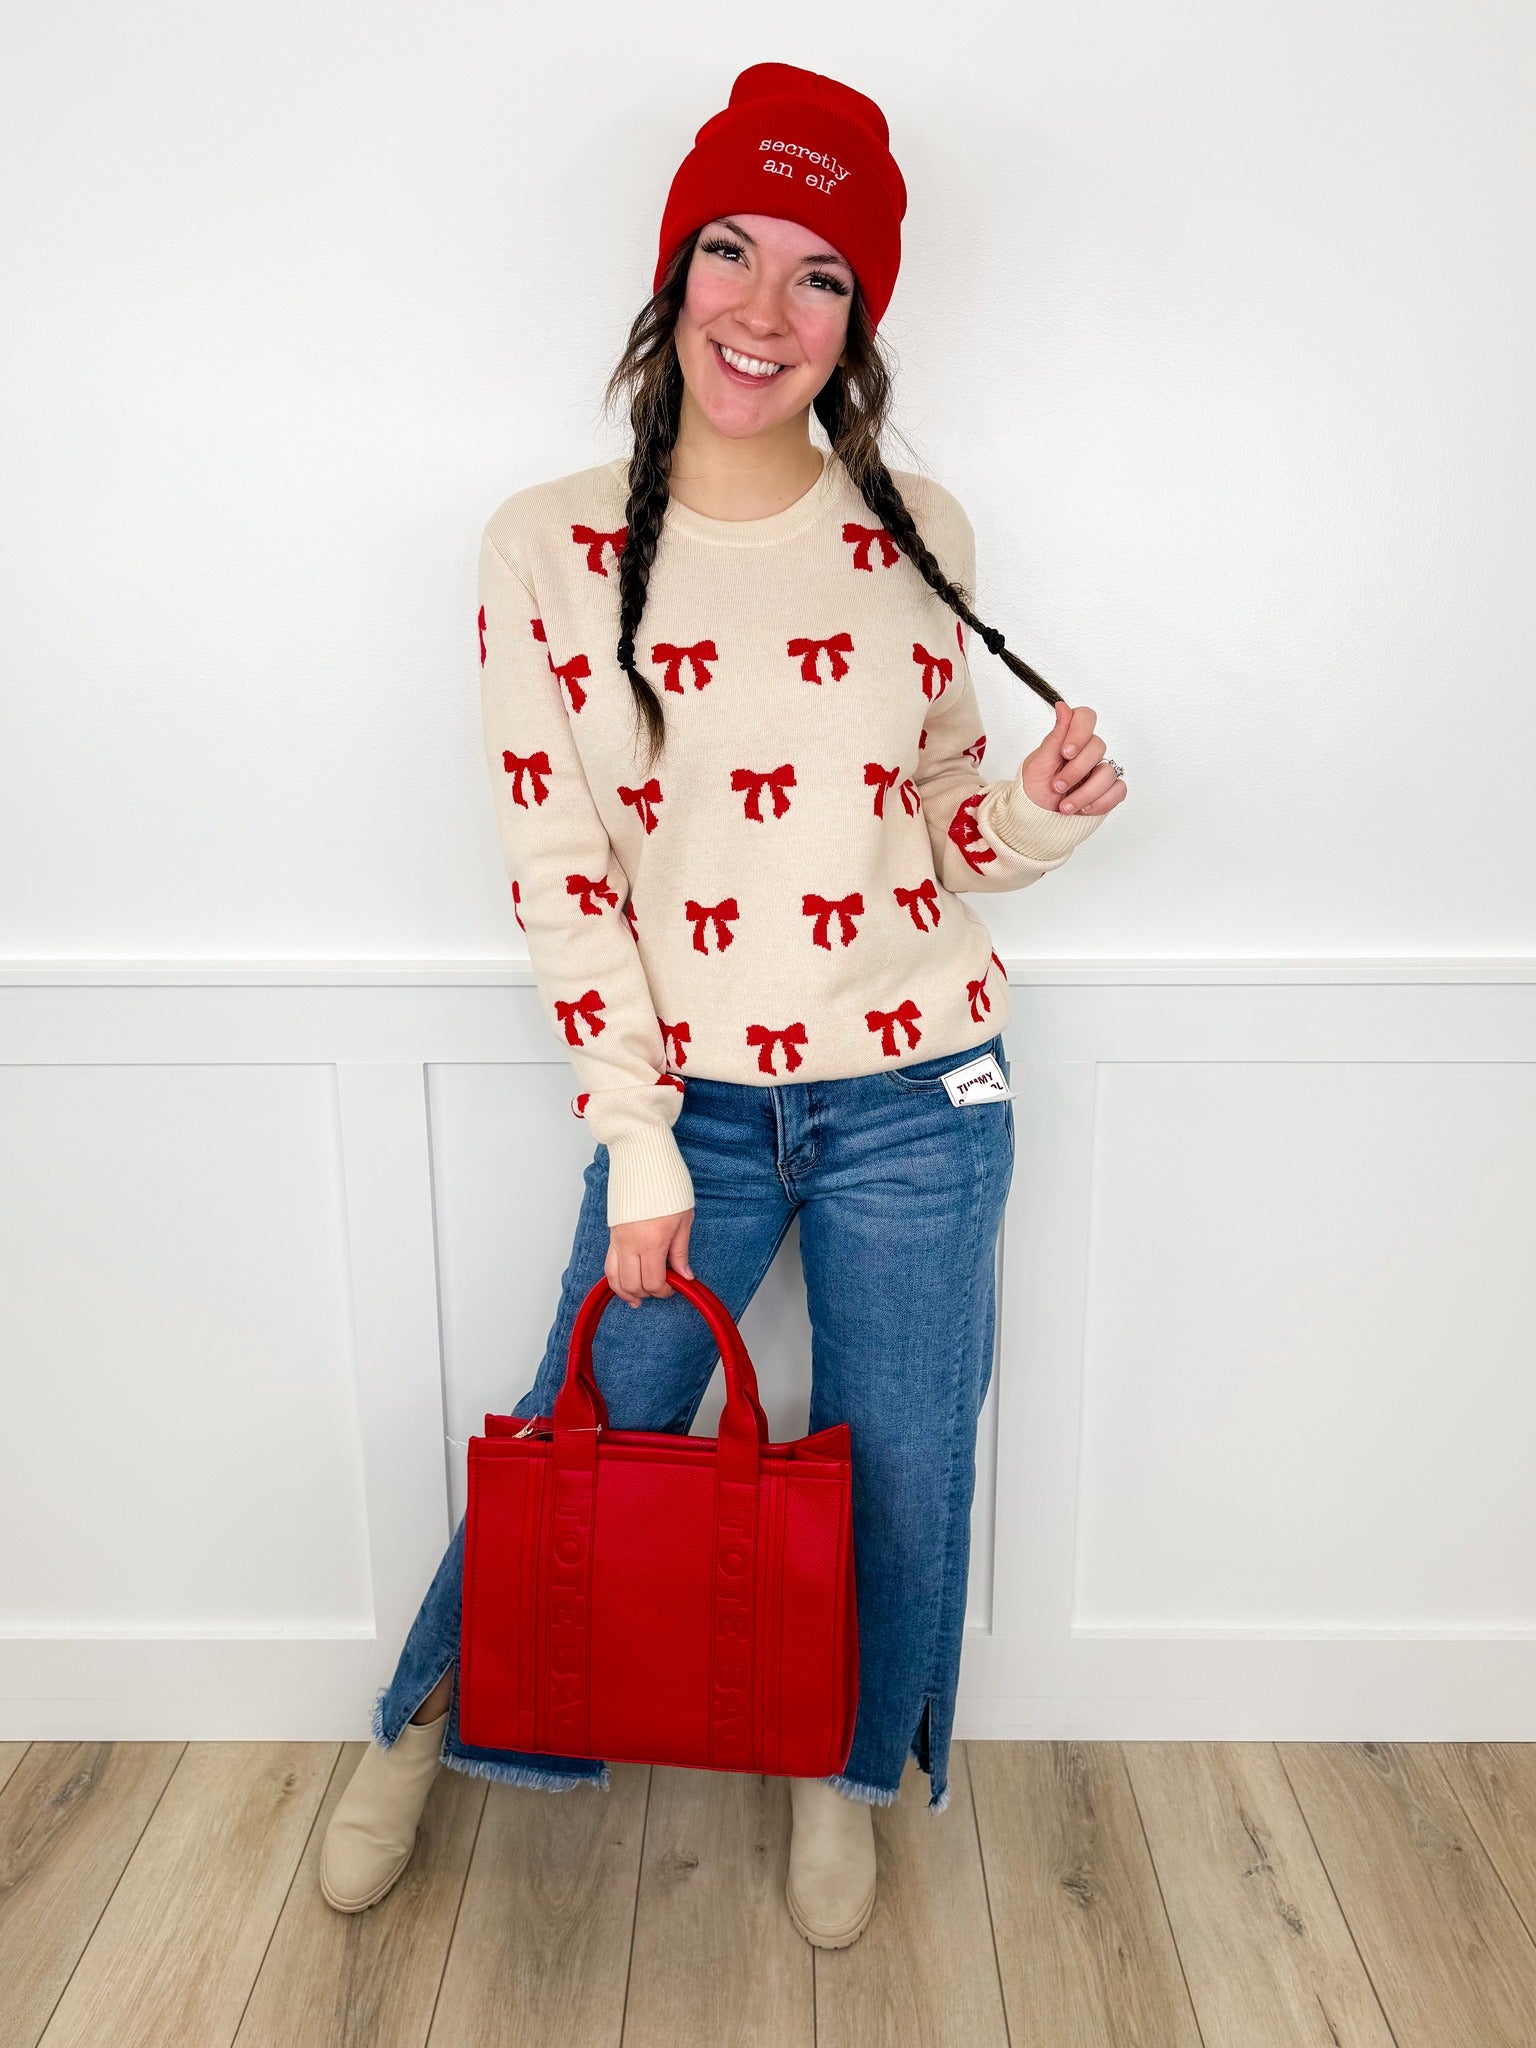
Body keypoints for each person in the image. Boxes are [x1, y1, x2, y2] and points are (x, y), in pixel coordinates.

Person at [320, 60, 1126, 1946]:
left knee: (904, 1466)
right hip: (689, 1102)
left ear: (861, 317)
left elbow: (935, 817)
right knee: (588, 1425)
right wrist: (635, 1135)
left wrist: (1033, 813)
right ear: (673, 271)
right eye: (732, 252)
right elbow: (563, 872)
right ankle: (421, 1728)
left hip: (925, 1085)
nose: (767, 310)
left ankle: (845, 1781)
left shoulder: (918, 528)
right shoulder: (547, 545)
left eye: (821, 274)